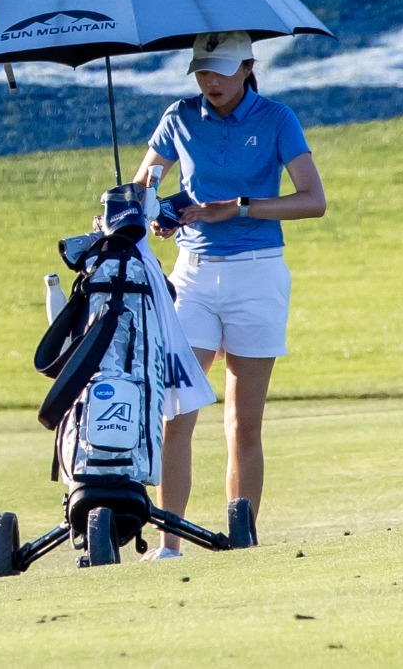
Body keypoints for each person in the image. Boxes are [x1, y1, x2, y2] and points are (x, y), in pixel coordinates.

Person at [133, 30, 326, 558]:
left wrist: (238, 206)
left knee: (243, 421)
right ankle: (169, 544)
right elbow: (144, 187)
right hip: (192, 276)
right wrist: (156, 213)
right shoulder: (179, 117)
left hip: (257, 274)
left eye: (219, 69)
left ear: (247, 67)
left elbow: (312, 201)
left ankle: (241, 541)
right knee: (176, 412)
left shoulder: (277, 119)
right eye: (202, 70)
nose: (209, 80)